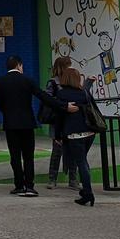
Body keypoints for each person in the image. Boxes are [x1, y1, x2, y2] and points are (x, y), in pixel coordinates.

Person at [0, 54, 76, 197]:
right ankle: (29, 186)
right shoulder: (27, 80)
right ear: (19, 65)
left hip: (10, 123)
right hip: (27, 123)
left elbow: (0, 104)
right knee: (28, 156)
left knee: (15, 156)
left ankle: (18, 185)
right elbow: (44, 97)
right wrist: (64, 106)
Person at [54, 67, 98, 206]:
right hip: (89, 132)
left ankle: (88, 193)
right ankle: (86, 191)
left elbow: (59, 116)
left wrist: (57, 135)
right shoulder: (83, 93)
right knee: (83, 161)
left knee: (81, 162)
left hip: (74, 133)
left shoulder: (62, 94)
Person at [45, 56, 79, 190]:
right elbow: (48, 99)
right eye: (68, 65)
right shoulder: (53, 82)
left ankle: (73, 178)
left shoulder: (71, 80)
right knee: (57, 150)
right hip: (58, 119)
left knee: (73, 150)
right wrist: (63, 105)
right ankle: (52, 178)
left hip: (71, 119)